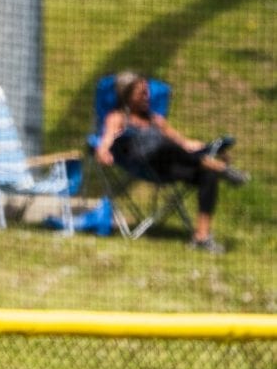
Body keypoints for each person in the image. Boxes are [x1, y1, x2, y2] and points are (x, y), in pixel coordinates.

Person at [94, 71, 248, 253]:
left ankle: (202, 236)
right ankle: (218, 167)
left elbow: (184, 144)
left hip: (170, 167)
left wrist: (213, 148)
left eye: (147, 92)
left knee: (207, 174)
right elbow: (106, 140)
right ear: (127, 96)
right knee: (163, 145)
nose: (147, 96)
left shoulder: (156, 120)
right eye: (141, 93)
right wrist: (103, 152)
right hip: (145, 165)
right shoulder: (118, 118)